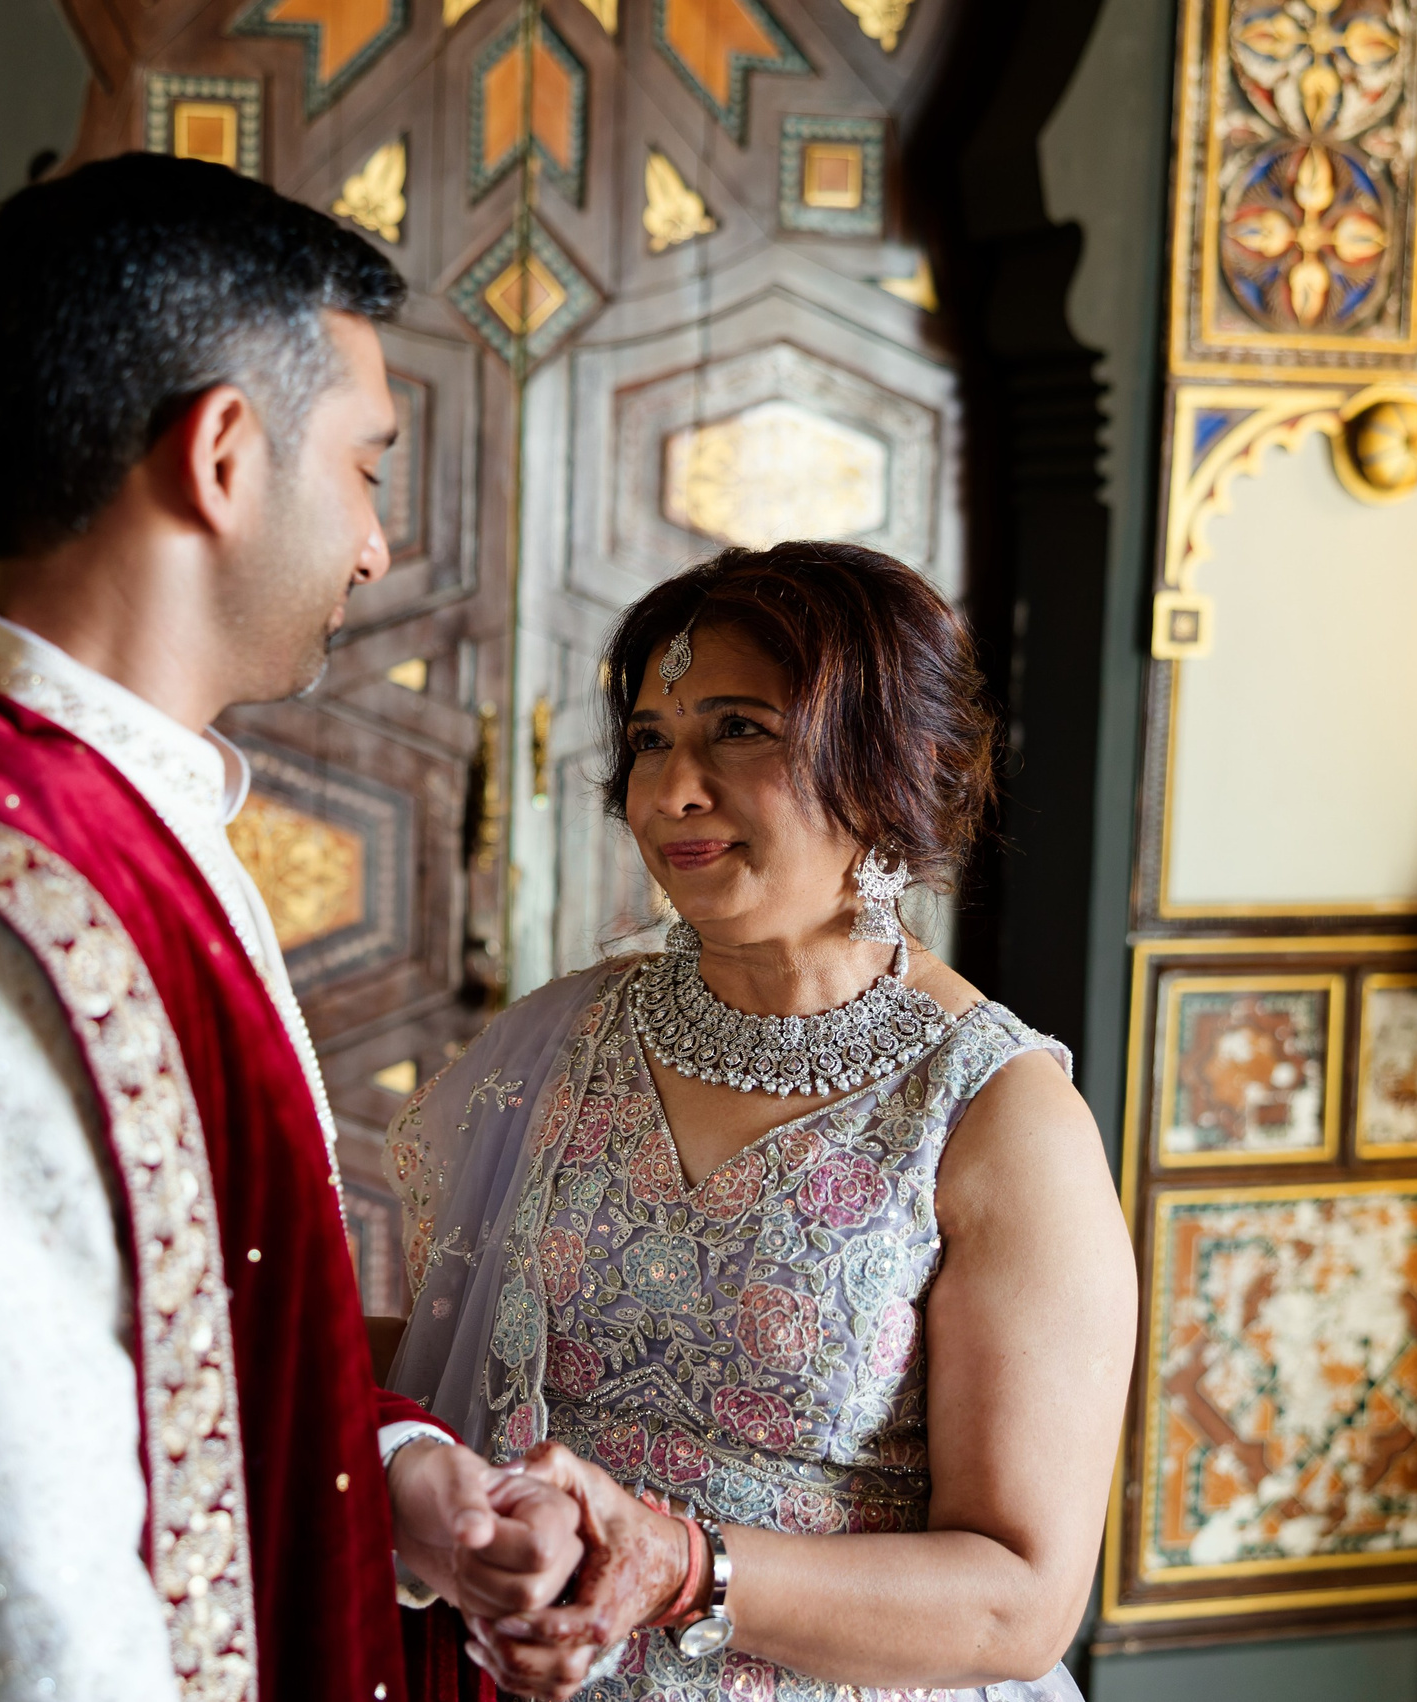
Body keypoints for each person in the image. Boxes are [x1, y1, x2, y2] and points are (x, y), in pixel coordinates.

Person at [0, 152, 580, 1702]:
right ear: (224, 454)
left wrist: (396, 1466)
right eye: (367, 466)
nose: (373, 544)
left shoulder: (127, 830)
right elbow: (12, 1614)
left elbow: (184, 1344)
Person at [384, 544, 1137, 1701]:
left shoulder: (996, 1115)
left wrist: (686, 1567)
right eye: (648, 741)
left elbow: (1018, 1598)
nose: (671, 792)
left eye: (738, 729)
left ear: (896, 760)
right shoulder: (555, 1043)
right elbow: (444, 1356)